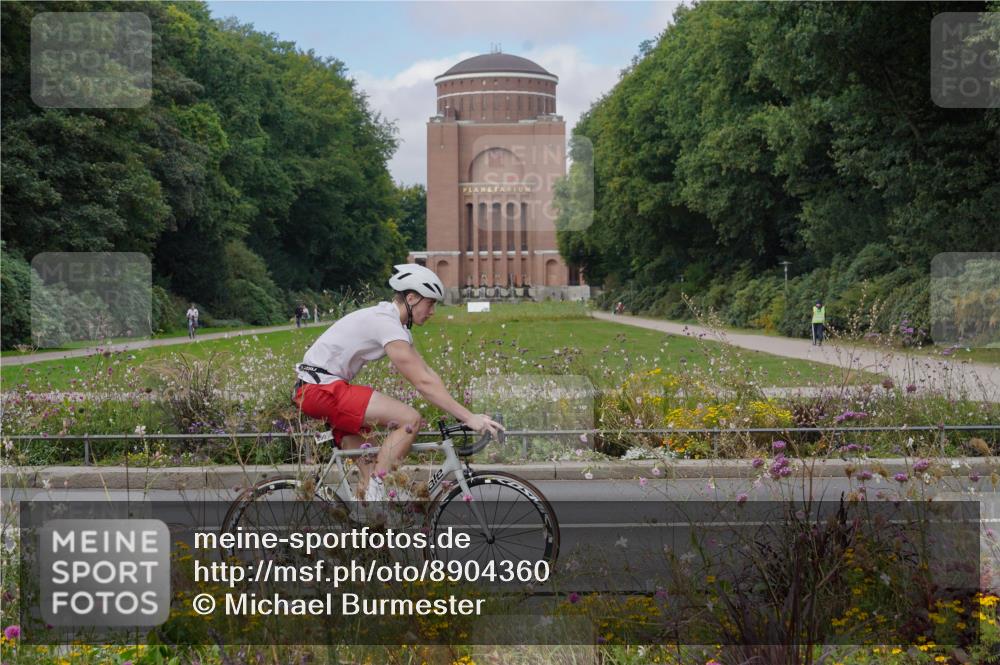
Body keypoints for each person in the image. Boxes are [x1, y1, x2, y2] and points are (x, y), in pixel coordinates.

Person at [292, 264, 504, 503]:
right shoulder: (385, 323)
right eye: (430, 303)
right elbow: (422, 383)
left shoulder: (396, 326)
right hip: (321, 389)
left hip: (320, 388)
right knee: (410, 420)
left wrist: (463, 412)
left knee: (372, 468)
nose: (433, 311)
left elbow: (428, 374)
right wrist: (468, 418)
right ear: (411, 298)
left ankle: (368, 522)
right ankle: (378, 490)